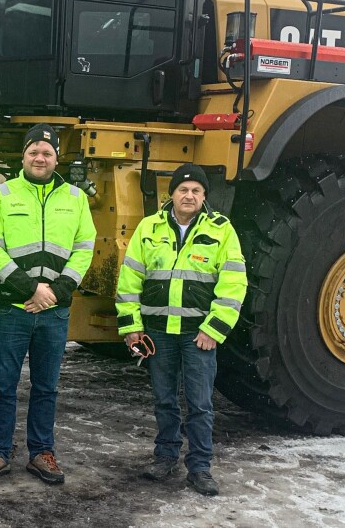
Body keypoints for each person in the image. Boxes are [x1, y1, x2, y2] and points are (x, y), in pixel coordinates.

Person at [115, 163, 247, 496]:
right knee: (164, 399)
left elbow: (233, 284)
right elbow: (129, 281)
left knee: (200, 404)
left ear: (204, 196)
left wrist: (213, 329)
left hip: (197, 334)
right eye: (183, 189)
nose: (189, 196)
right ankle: (165, 456)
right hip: (158, 332)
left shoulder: (221, 230)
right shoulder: (149, 228)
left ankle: (200, 468)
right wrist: (132, 327)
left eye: (196, 191)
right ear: (171, 194)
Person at [0, 124, 96, 485]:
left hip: (54, 310)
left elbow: (84, 248)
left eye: (46, 152)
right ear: (23, 157)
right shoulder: (1, 195)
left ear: (57, 158)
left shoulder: (75, 198)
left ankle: (42, 452)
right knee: (4, 383)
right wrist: (30, 288)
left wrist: (55, 292)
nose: (39, 158)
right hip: (12, 308)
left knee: (46, 386)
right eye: (33, 152)